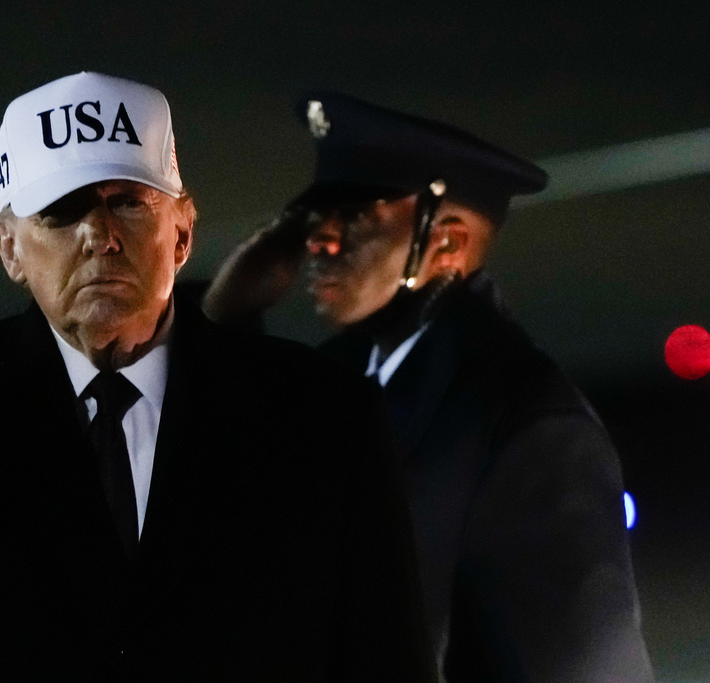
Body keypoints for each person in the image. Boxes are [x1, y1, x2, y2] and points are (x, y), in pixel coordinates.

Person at [0, 73, 434, 682]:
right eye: (62, 211)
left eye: (127, 202)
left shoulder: (318, 415)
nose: (98, 236)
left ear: (183, 231)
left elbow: (387, 658)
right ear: (9, 246)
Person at [203, 93, 654, 682]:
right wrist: (226, 319)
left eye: (358, 217)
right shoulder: (344, 376)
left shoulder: (526, 424)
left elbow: (581, 669)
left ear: (446, 243)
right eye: (318, 217)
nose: (320, 241)